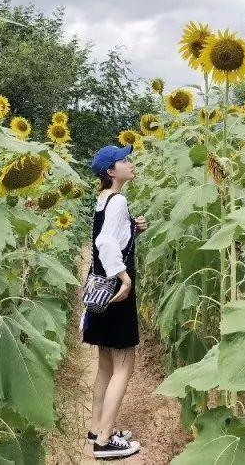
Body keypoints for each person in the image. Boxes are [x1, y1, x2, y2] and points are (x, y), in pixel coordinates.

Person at [83, 144, 148, 459]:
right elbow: (105, 242)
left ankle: (97, 427)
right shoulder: (119, 199)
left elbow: (110, 234)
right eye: (124, 160)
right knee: (125, 366)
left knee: (105, 366)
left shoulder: (103, 200)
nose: (130, 163)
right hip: (116, 293)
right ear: (111, 171)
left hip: (99, 290)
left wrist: (132, 229)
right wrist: (124, 277)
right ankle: (105, 441)